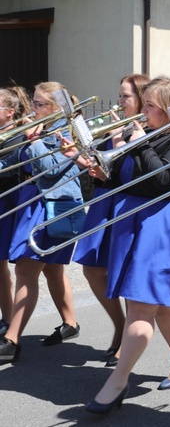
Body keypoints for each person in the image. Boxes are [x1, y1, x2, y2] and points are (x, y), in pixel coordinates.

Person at [85, 76, 170, 413]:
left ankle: (118, 380)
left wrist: (139, 142)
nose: (143, 109)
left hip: (166, 226)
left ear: (169, 110)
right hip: (139, 222)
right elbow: (129, 177)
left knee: (140, 306)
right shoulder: (146, 136)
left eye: (150, 105)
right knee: (161, 303)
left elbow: (162, 179)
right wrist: (102, 172)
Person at [66, 74, 149, 367]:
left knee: (121, 272)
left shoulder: (146, 131)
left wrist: (121, 142)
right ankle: (119, 324)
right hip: (103, 202)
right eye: (120, 95)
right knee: (92, 270)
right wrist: (76, 156)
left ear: (140, 98)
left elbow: (132, 174)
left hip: (123, 205)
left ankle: (127, 336)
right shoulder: (118, 127)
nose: (119, 101)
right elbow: (99, 167)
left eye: (125, 96)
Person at [0, 82, 83, 363]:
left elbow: (53, 170)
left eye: (39, 104)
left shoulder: (65, 131)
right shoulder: (41, 129)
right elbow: (15, 162)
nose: (33, 109)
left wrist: (34, 141)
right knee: (53, 271)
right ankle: (70, 323)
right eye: (34, 103)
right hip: (33, 204)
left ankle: (12, 339)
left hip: (49, 206)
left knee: (25, 271)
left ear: (56, 107)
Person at [0, 86, 33, 337]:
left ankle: (9, 320)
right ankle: (7, 317)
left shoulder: (19, 137)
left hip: (10, 202)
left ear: (10, 112)